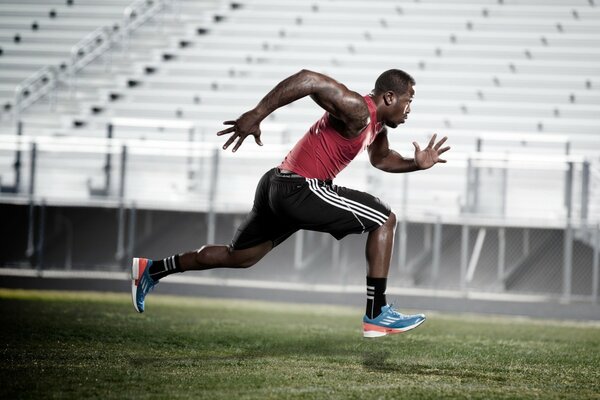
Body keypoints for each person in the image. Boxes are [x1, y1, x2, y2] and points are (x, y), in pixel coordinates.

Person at [131, 69, 450, 338]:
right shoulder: (358, 109)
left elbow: (381, 159)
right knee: (385, 218)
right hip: (299, 188)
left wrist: (415, 163)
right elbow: (308, 79)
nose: (410, 110)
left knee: (239, 257)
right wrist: (256, 114)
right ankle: (377, 312)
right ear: (390, 98)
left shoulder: (376, 127)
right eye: (409, 101)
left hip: (277, 184)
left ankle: (152, 269)